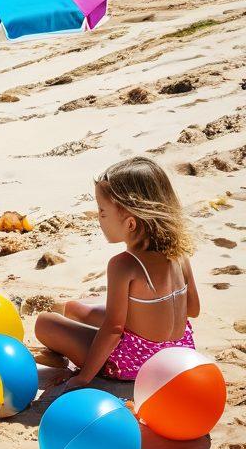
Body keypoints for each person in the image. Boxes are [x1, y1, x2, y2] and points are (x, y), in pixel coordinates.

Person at [34, 157, 199, 385]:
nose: (99, 219)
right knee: (73, 309)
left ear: (130, 223)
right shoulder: (179, 254)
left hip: (133, 363)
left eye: (102, 212)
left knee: (45, 323)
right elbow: (193, 309)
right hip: (178, 353)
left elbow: (113, 329)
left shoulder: (123, 265)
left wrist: (83, 377)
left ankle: (78, 357)